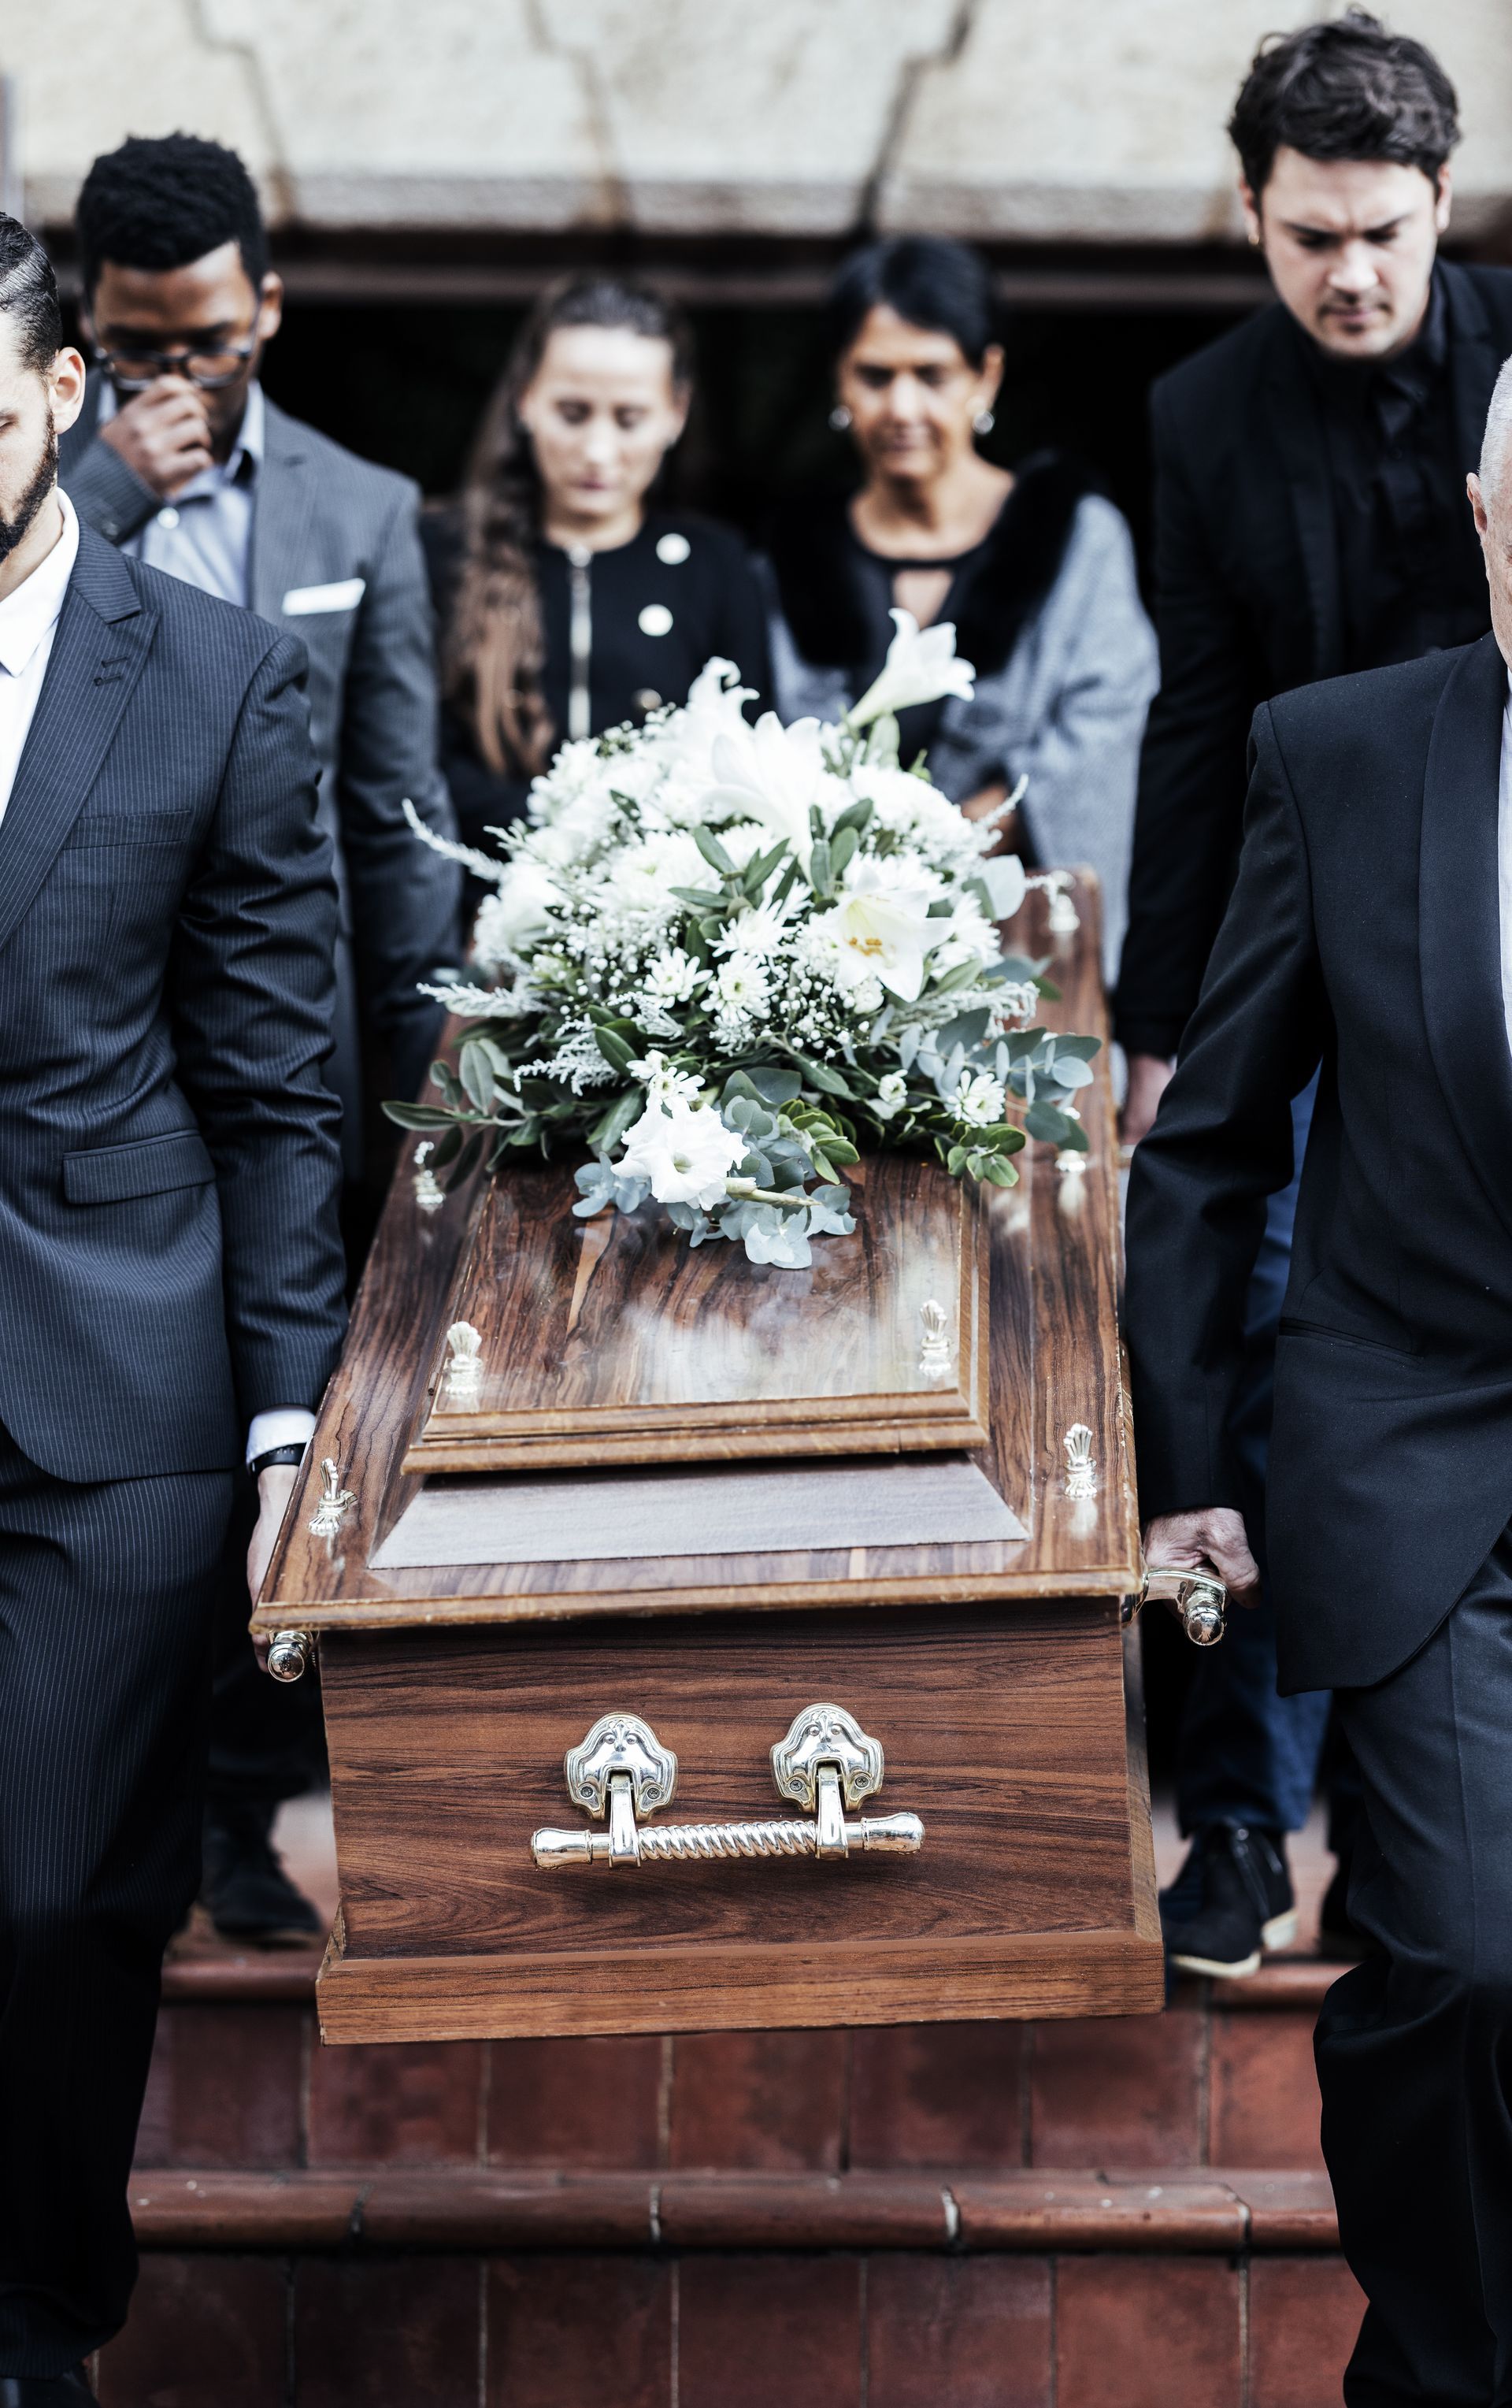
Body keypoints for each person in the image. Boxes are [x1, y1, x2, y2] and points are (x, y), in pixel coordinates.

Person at [1125, 351, 1512, 2407]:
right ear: (1485, 522)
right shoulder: (1343, 753)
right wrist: (1190, 1470)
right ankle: (1443, 2370)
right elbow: (1205, 1146)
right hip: (1427, 1459)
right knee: (1457, 1958)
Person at [1115, 13, 1512, 1979]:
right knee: (1267, 1347)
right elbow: (1195, 721)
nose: (1347, 274)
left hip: (1481, 976)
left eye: (1380, 232)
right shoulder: (1200, 415)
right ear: (1250, 219)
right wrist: (1153, 1019)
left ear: (1443, 203)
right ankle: (1245, 1821)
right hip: (1291, 938)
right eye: (1305, 237)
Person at [0, 216, 345, 2395]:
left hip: (102, 1380)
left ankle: (39, 2316)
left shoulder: (213, 675)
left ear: (51, 395)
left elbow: (280, 1078)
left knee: (52, 1902)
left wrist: (286, 1429)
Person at [57, 134, 462, 1945]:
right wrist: (109, 487)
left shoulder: (364, 511)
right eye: (138, 349)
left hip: (305, 1044)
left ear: (269, 313)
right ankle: (139, 1808)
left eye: (207, 344)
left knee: (305, 1420)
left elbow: (397, 803)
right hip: (99, 1052)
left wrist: (426, 1068)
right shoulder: (50, 489)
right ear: (84, 338)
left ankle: (245, 1809)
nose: (178, 383)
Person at [763, 235, 1157, 981]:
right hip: (836, 955)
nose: (902, 406)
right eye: (875, 376)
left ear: (986, 376)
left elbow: (1105, 726)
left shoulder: (1077, 538)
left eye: (932, 374)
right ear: (840, 383)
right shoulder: (793, 555)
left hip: (1023, 943)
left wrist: (944, 842)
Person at [424, 274, 770, 870]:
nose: (598, 450)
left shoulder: (716, 565)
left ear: (675, 413)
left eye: (629, 418)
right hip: (471, 908)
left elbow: (749, 759)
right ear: (525, 399)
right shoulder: (441, 551)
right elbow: (417, 760)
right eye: (573, 413)